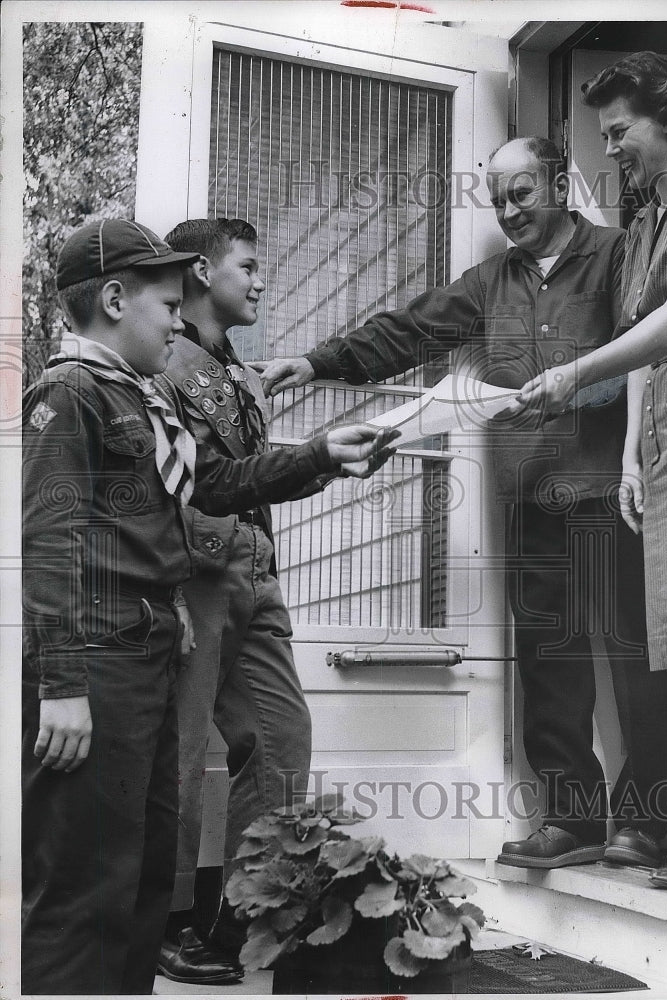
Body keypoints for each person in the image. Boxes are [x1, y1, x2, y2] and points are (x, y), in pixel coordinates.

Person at [259, 137, 667, 870]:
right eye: (497, 200)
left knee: (635, 652)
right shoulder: (491, 281)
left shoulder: (617, 253)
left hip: (610, 489)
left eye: (521, 195)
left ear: (555, 187)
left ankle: (646, 823)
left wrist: (585, 387)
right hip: (530, 496)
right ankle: (570, 820)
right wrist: (317, 361)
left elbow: (653, 350)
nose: (509, 212)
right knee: (548, 658)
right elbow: (408, 331)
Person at [21, 218, 397, 995]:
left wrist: (321, 455)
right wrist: (60, 685)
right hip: (99, 659)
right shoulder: (69, 394)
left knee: (145, 875)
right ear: (116, 300)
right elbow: (51, 545)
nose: (176, 319)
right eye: (166, 304)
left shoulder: (135, 398)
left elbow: (216, 485)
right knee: (86, 885)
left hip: (152, 647)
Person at [519, 53, 667, 889]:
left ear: (664, 117)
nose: (612, 149)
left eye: (619, 131)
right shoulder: (641, 227)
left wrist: (574, 372)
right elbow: (643, 337)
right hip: (662, 440)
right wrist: (630, 453)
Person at [156, 218, 323, 985]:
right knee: (182, 756)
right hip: (194, 572)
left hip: (258, 570)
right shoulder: (160, 360)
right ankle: (162, 920)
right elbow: (187, 484)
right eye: (249, 267)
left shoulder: (238, 372)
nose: (261, 281)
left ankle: (239, 919)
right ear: (199, 270)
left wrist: (322, 464)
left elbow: (250, 472)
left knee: (281, 743)